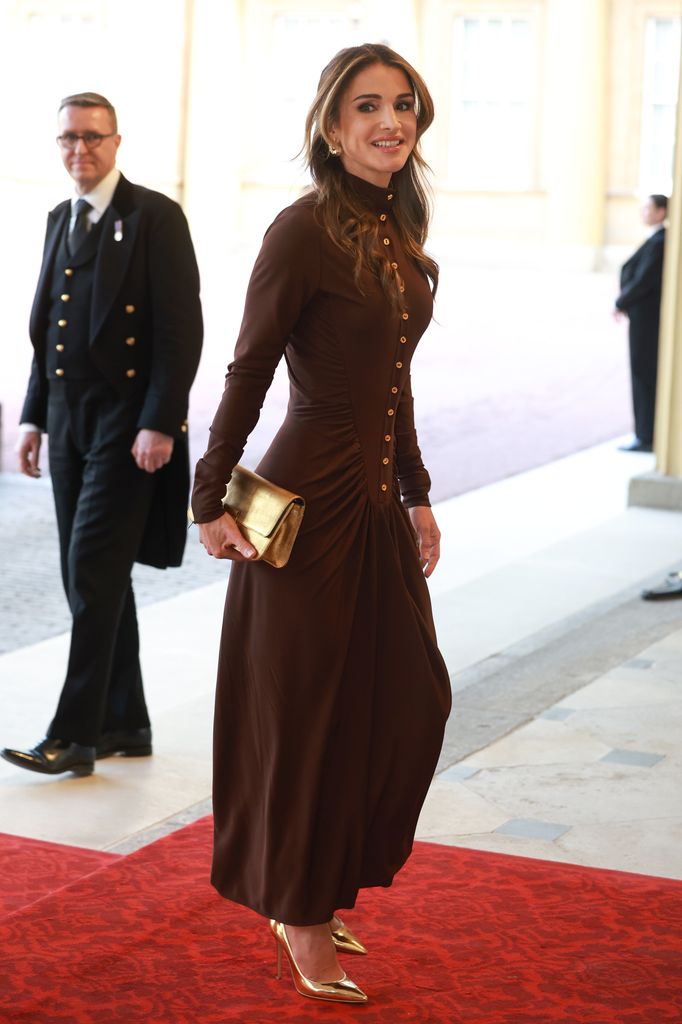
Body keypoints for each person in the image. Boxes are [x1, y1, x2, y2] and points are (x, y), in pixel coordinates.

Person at [191, 44, 451, 1004]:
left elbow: (399, 385)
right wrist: (210, 497)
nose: (391, 122)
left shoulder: (398, 232)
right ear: (333, 126)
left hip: (376, 507)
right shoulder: (303, 231)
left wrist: (418, 493)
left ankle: (319, 876)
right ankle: (298, 909)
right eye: (368, 107)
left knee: (404, 699)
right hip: (306, 512)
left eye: (405, 106)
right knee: (304, 715)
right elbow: (249, 369)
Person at [2, 92, 203, 778]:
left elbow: (181, 331)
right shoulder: (61, 218)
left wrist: (159, 420)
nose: (78, 150)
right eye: (67, 139)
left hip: (126, 422)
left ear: (116, 141)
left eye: (91, 137)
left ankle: (75, 734)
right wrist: (33, 415)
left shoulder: (154, 217)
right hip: (66, 416)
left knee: (92, 569)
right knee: (88, 573)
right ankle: (125, 721)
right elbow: (46, 332)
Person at [614, 194, 668, 452]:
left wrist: (620, 302)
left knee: (644, 373)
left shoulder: (660, 242)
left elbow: (643, 280)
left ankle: (646, 435)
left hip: (648, 320)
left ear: (661, 212)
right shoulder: (655, 240)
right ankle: (644, 432)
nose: (643, 212)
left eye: (648, 208)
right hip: (643, 317)